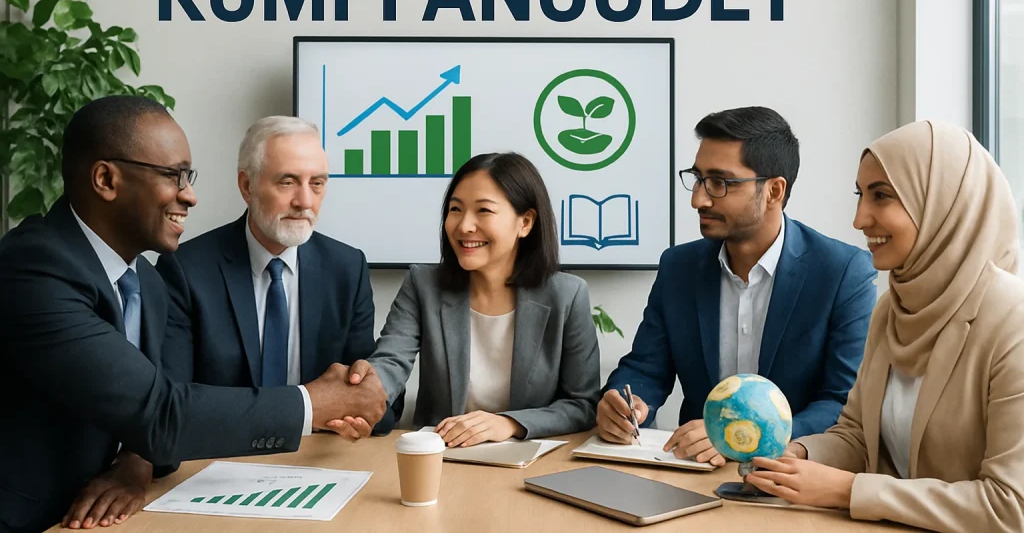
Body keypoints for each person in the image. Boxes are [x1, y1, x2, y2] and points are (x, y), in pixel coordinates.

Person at [0, 96, 386, 533]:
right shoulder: (34, 269)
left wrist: (137, 464)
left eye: (189, 176)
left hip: (118, 514)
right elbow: (163, 411)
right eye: (173, 175)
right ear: (106, 179)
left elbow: (152, 426)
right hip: (33, 520)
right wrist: (314, 402)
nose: (190, 195)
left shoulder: (145, 281)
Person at [745, 120, 1024, 533]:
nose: (859, 219)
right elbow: (859, 437)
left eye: (882, 195)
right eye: (860, 195)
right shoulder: (893, 307)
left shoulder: (1013, 321)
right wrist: (798, 456)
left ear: (941, 202)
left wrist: (849, 491)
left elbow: (1011, 506)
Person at [599, 107, 877, 467]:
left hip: (792, 477)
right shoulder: (679, 267)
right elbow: (645, 369)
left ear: (774, 190)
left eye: (720, 183)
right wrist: (625, 404)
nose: (698, 199)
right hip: (694, 472)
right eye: (697, 179)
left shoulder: (842, 273)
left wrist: (742, 436)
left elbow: (842, 402)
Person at [155, 116, 401, 434]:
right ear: (247, 186)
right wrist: (307, 406)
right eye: (287, 182)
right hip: (222, 454)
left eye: (317, 184)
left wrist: (364, 404)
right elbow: (172, 405)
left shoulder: (346, 269)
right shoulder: (186, 270)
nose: (304, 202)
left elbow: (376, 405)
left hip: (318, 455)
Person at [352, 152, 601, 447]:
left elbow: (582, 404)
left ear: (525, 222)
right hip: (443, 455)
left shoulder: (567, 295)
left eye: (483, 210)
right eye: (456, 209)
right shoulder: (423, 284)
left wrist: (509, 423)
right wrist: (367, 388)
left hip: (531, 457)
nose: (464, 226)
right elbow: (391, 361)